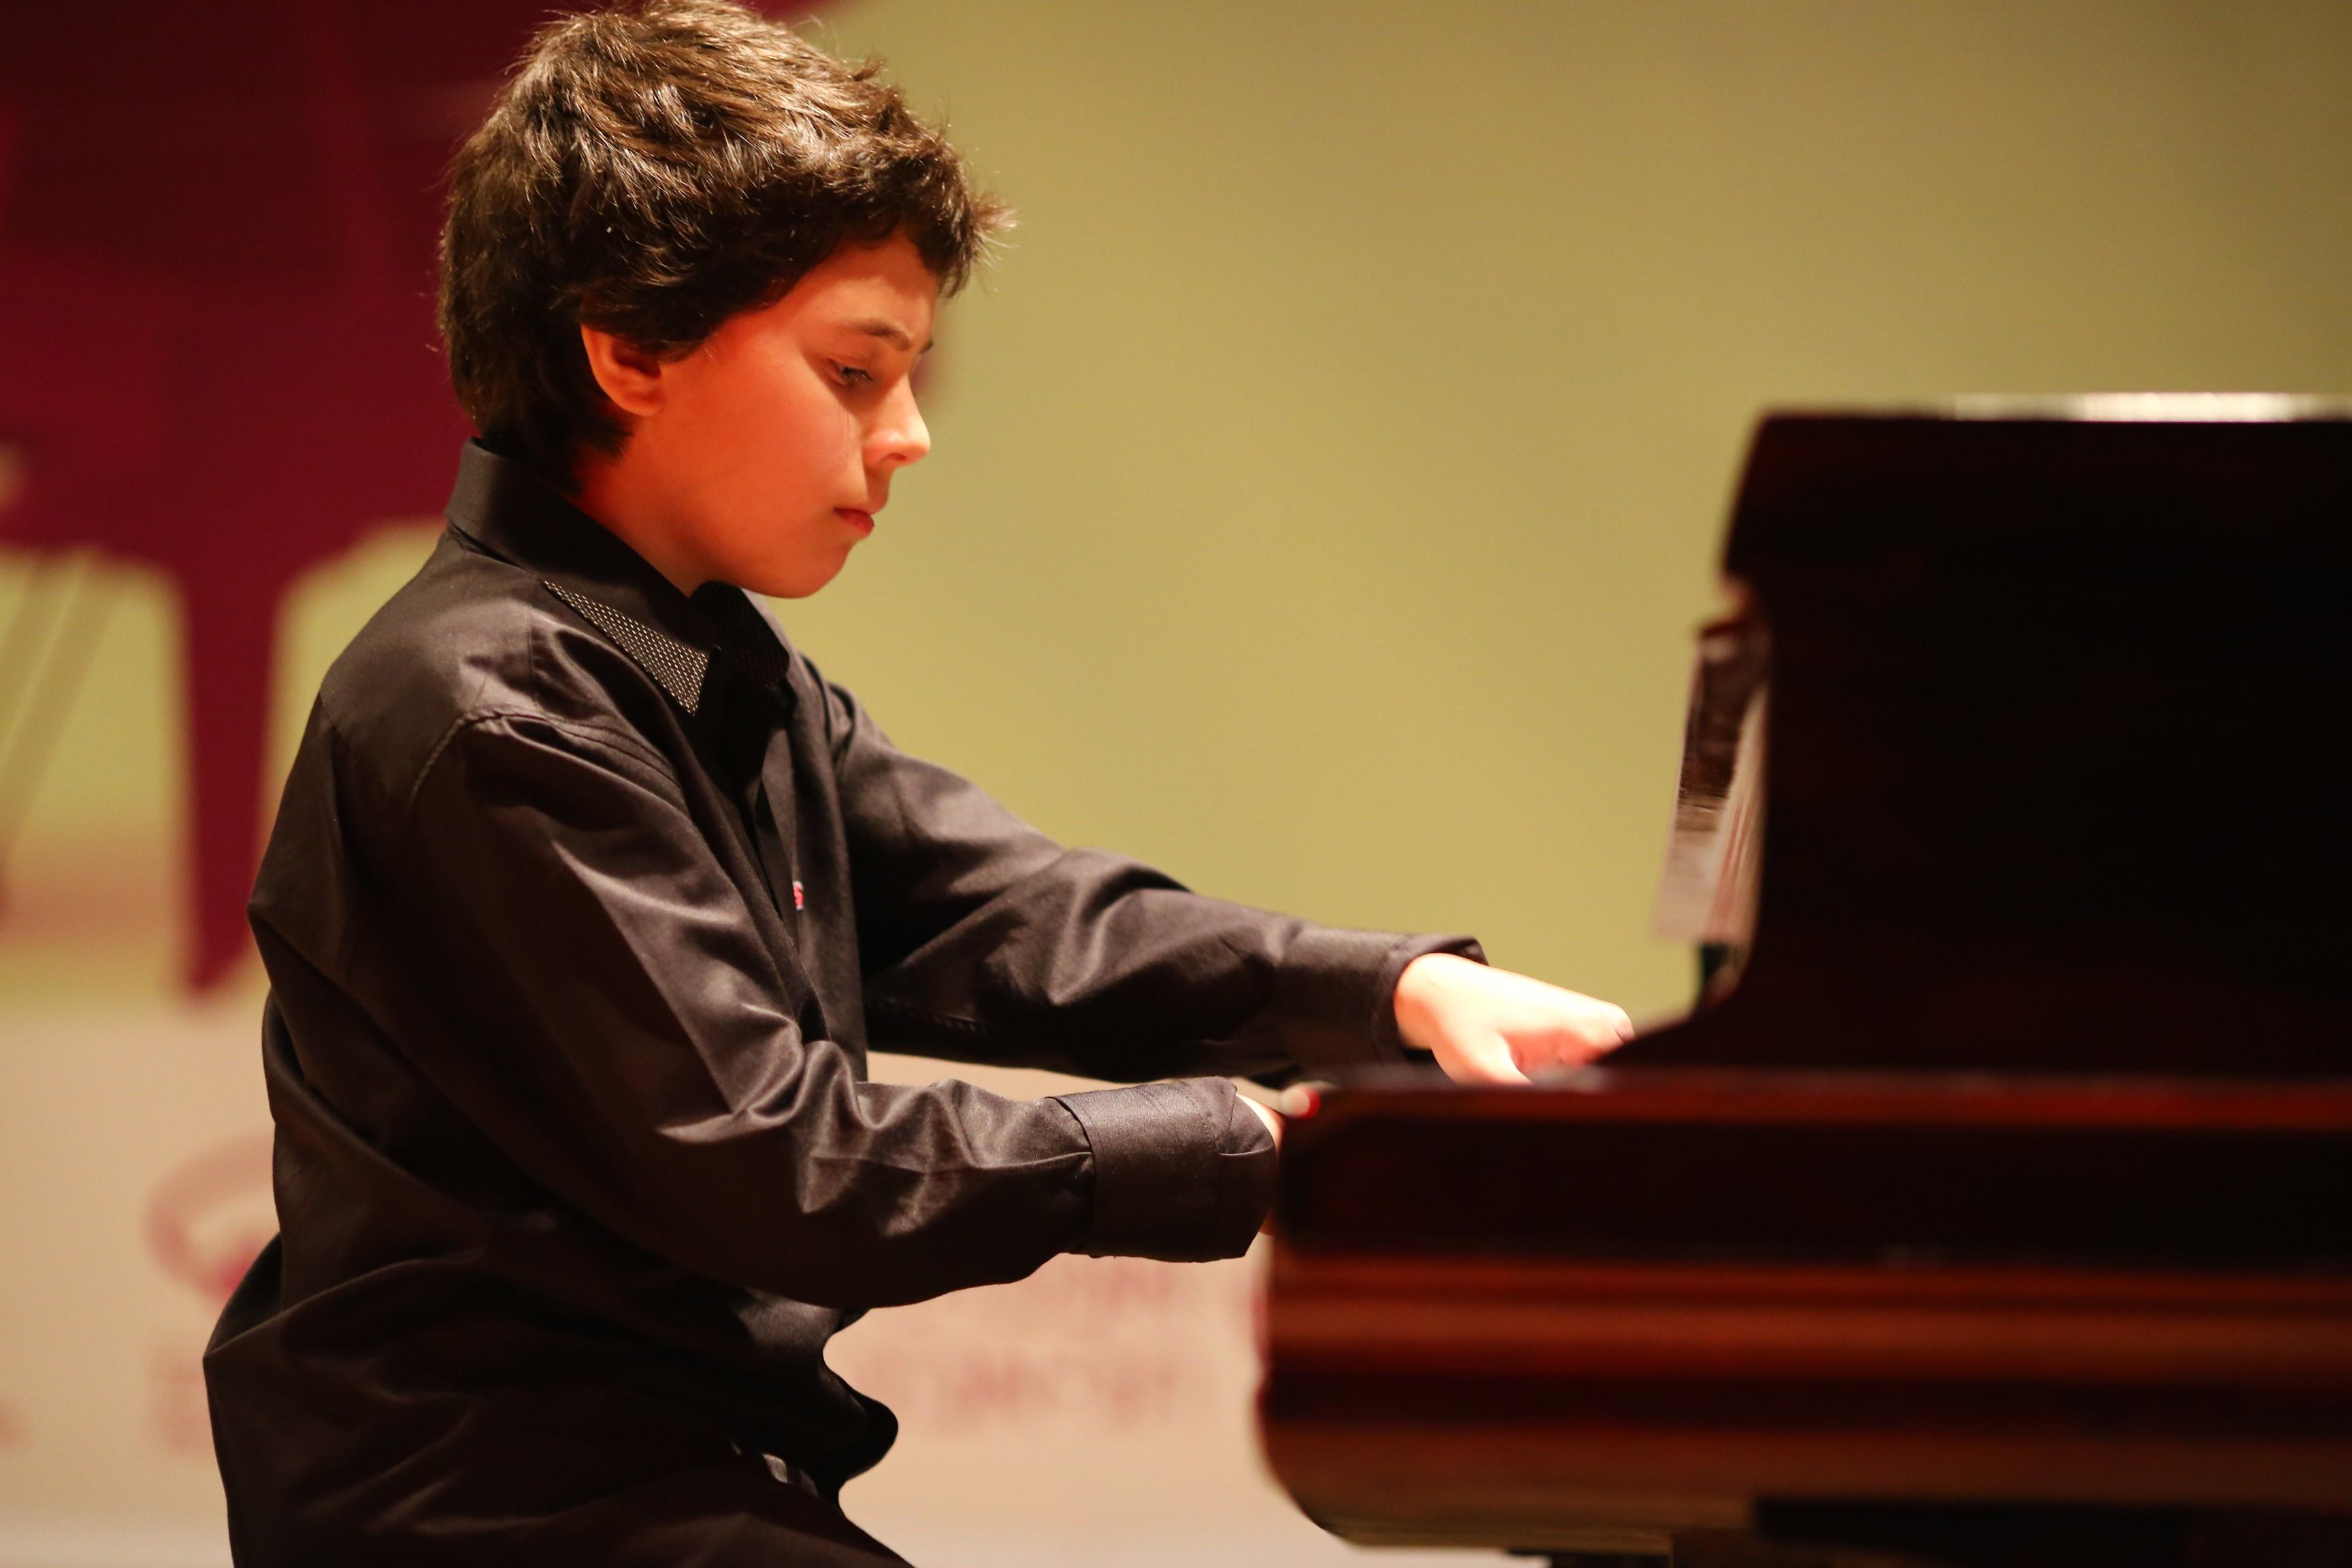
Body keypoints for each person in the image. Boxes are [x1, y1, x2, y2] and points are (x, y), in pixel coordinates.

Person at [202, 3, 1634, 1563]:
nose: (907, 437)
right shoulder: (494, 705)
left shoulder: (703, 665)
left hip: (646, 1489)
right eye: (853, 371)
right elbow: (778, 1162)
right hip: (490, 1516)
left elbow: (1016, 919)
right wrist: (1252, 1147)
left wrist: (1403, 994)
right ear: (629, 350)